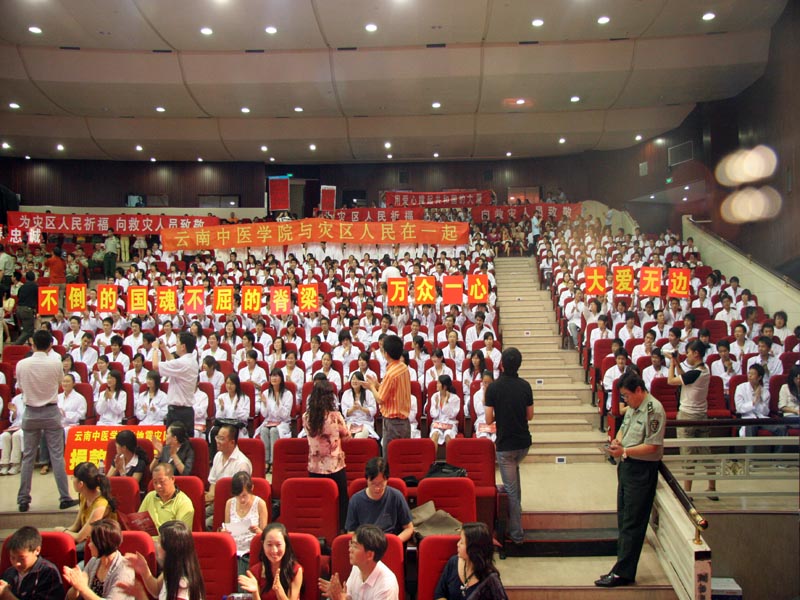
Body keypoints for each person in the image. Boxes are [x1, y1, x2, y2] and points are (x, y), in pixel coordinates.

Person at [595, 373, 665, 588]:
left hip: (642, 470)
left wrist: (625, 450)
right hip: (627, 467)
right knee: (624, 519)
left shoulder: (654, 410)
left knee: (633, 523)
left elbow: (653, 446)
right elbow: (624, 428)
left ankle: (623, 573)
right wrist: (618, 442)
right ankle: (620, 567)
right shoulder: (634, 407)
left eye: (626, 395)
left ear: (639, 390)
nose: (625, 400)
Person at [16, 329, 79, 512]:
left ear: (32, 344)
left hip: (30, 411)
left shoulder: (22, 364)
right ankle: (65, 497)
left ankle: (23, 499)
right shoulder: (55, 363)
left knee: (28, 457)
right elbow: (59, 383)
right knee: (57, 456)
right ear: (50, 345)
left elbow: (20, 386)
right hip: (51, 411)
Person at [484, 347, 533, 546]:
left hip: (506, 446)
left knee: (511, 491)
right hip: (523, 444)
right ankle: (517, 517)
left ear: (501, 364)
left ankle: (516, 534)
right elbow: (530, 415)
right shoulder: (525, 386)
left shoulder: (493, 388)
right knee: (514, 482)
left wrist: (501, 413)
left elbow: (488, 420)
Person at [667, 339, 716, 498]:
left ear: (696, 353)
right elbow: (685, 377)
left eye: (688, 352)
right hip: (702, 415)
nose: (687, 355)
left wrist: (672, 364)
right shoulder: (704, 370)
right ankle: (712, 488)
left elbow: (671, 380)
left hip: (687, 416)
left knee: (687, 454)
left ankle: (687, 492)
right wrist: (677, 363)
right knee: (706, 452)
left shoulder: (696, 373)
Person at [304, 379, 351, 530]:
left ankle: (321, 529)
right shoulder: (335, 416)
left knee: (318, 501)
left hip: (315, 467)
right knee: (341, 501)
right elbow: (347, 436)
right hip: (335, 466)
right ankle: (341, 529)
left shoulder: (306, 417)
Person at [121, 520, 205, 600]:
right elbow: (157, 590)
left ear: (169, 549)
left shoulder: (182, 587)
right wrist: (144, 570)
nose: (155, 544)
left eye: (159, 542)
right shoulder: (174, 569)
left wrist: (140, 594)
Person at [318, 524, 399, 600]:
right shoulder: (357, 567)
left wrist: (340, 598)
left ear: (369, 555)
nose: (350, 549)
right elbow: (349, 597)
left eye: (355, 546)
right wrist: (336, 594)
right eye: (351, 544)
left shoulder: (386, 586)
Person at [62, 519, 135, 600]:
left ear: (102, 544)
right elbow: (71, 598)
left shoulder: (125, 569)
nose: (89, 545)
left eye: (92, 542)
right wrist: (76, 587)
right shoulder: (94, 561)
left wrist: (83, 589)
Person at [345, 457, 414, 543]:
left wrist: (395, 541)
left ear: (387, 480)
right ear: (367, 479)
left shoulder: (396, 496)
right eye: (373, 484)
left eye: (381, 484)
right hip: (366, 544)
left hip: (390, 541)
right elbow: (351, 532)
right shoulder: (355, 500)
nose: (377, 489)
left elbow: (409, 528)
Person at [362, 335, 411, 456]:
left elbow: (380, 399)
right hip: (404, 422)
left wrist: (372, 387)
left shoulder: (390, 374)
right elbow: (391, 391)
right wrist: (377, 385)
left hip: (393, 423)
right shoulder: (404, 367)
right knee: (403, 457)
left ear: (386, 354)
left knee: (390, 457)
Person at [434, 522, 507, 599]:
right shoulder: (453, 562)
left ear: (473, 549)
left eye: (462, 542)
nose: (458, 544)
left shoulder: (491, 579)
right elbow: (439, 594)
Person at [56, 461, 117, 546]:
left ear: (81, 484)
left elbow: (80, 537)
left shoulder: (101, 505)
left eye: (74, 477)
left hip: (101, 543)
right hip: (86, 540)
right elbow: (75, 527)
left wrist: (62, 531)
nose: (72, 479)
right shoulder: (83, 496)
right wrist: (62, 532)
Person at [223, 471, 270, 577]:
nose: (242, 499)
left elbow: (265, 535)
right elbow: (227, 527)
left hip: (251, 552)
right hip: (233, 550)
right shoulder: (229, 503)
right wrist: (224, 532)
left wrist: (258, 531)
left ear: (251, 488)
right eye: (238, 496)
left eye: (244, 495)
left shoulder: (260, 504)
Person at [239, 522, 303, 600]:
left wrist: (279, 591)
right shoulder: (256, 571)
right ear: (263, 544)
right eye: (269, 545)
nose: (274, 550)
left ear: (286, 544)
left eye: (278, 545)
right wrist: (255, 592)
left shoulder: (295, 570)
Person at [0, 525, 65, 599]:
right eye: (12, 558)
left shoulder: (48, 573)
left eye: (22, 558)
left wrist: (7, 595)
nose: (16, 563)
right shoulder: (9, 572)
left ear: (37, 550)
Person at [152, 332, 200, 433]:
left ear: (183, 346)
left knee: (174, 442)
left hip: (178, 412)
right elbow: (172, 362)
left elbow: (155, 366)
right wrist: (164, 348)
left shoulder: (183, 363)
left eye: (177, 342)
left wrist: (155, 349)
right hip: (186, 411)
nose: (176, 344)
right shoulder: (191, 361)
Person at [205, 424, 252, 525]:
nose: (217, 441)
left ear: (232, 442)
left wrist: (215, 497)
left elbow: (241, 494)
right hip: (216, 502)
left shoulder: (242, 464)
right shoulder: (218, 456)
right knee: (196, 515)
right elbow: (213, 481)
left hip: (234, 505)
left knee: (207, 523)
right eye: (217, 437)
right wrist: (211, 495)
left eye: (221, 439)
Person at [256, 368, 293, 473]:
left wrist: (278, 403)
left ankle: (273, 462)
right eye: (272, 376)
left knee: (274, 431)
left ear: (281, 378)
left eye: (276, 376)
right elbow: (264, 414)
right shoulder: (266, 393)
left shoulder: (287, 394)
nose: (274, 378)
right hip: (269, 421)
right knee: (263, 430)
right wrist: (264, 403)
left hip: (283, 423)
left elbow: (285, 415)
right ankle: (266, 461)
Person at [138, 464, 195, 532]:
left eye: (162, 481)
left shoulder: (184, 503)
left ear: (172, 479)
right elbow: (139, 523)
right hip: (147, 537)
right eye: (155, 482)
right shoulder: (149, 496)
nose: (158, 486)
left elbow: (181, 534)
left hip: (169, 538)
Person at [13, 271, 37, 345]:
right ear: (34, 278)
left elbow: (18, 296)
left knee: (30, 330)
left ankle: (32, 346)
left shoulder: (22, 287)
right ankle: (15, 346)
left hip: (18, 309)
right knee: (27, 331)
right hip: (27, 310)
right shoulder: (35, 286)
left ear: (26, 278)